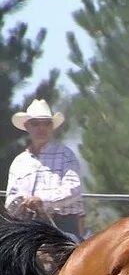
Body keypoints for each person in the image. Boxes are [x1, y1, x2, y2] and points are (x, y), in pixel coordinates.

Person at [4, 99, 84, 238]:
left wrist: (42, 200)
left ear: (51, 127)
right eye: (35, 123)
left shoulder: (65, 154)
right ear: (27, 126)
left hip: (63, 226)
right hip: (27, 227)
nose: (41, 128)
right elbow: (10, 198)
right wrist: (21, 202)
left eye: (46, 123)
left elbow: (74, 188)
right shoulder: (19, 161)